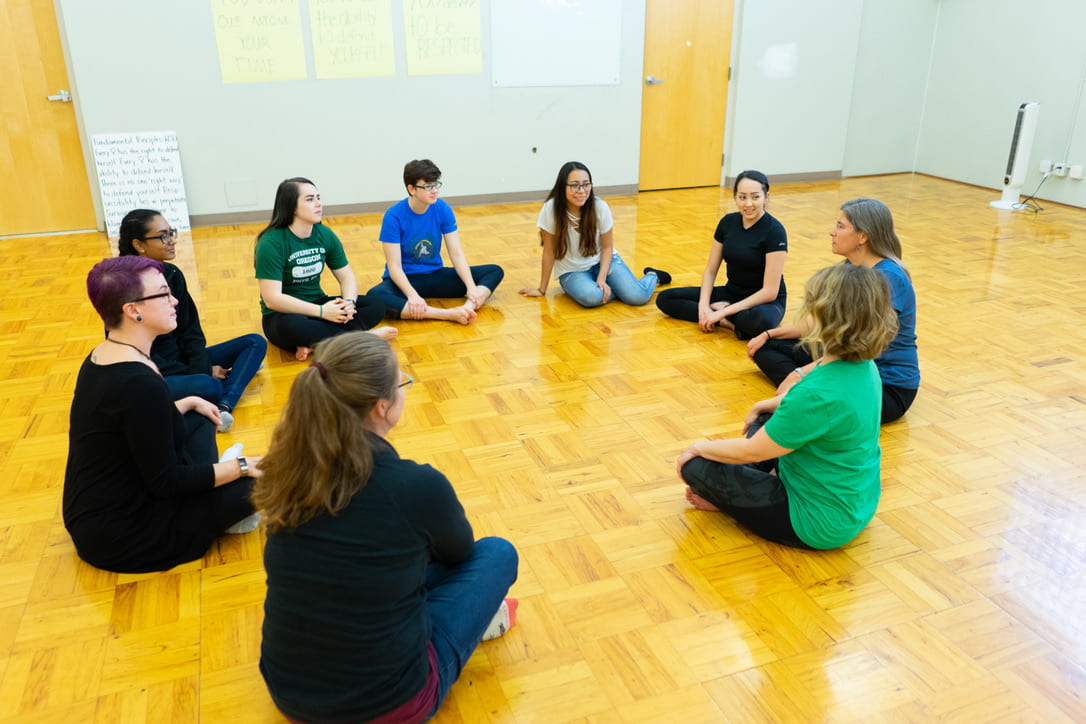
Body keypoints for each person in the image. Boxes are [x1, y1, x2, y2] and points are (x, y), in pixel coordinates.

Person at [254, 332, 518, 724]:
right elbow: (461, 553)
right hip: (388, 706)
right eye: (401, 383)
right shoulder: (415, 486)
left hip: (289, 694)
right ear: (381, 407)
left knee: (388, 560)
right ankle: (476, 623)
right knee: (497, 553)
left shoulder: (284, 469)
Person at [677, 263, 897, 550]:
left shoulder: (817, 394)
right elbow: (823, 410)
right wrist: (767, 403)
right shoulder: (863, 366)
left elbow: (751, 450)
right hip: (857, 503)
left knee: (696, 467)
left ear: (825, 316)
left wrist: (697, 448)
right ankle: (746, 486)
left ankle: (733, 501)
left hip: (816, 523)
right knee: (769, 414)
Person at [64, 256, 262, 574]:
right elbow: (167, 482)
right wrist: (240, 467)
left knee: (198, 412)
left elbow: (135, 426)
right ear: (133, 310)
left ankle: (218, 480)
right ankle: (222, 501)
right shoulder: (137, 382)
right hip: (125, 533)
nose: (175, 300)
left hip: (101, 506)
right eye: (163, 294)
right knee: (265, 482)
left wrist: (188, 403)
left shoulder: (105, 354)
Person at [747, 197, 919, 424]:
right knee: (766, 348)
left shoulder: (888, 277)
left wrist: (799, 373)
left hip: (883, 386)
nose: (832, 232)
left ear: (863, 236)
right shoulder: (851, 267)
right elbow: (817, 320)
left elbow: (860, 349)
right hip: (847, 366)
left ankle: (806, 390)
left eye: (840, 226)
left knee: (809, 391)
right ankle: (810, 389)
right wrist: (769, 334)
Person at [118, 209, 267, 432]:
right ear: (139, 245)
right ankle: (227, 393)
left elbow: (191, 331)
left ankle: (223, 405)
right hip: (156, 374)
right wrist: (202, 372)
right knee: (210, 385)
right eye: (163, 236)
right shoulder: (121, 287)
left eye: (171, 233)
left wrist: (202, 367)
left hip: (183, 361)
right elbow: (137, 355)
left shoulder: (172, 273)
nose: (173, 241)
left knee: (255, 342)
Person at [255, 177, 395, 361]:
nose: (318, 204)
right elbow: (272, 299)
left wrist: (349, 304)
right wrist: (322, 312)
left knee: (375, 305)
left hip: (318, 304)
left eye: (318, 198)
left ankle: (320, 343)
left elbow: (346, 277)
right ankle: (363, 339)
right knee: (294, 327)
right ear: (292, 206)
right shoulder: (271, 243)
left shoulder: (324, 234)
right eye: (310, 199)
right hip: (283, 314)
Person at [367, 159, 504, 325]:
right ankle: (446, 314)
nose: (434, 191)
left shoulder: (442, 208)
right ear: (411, 189)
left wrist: (471, 288)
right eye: (428, 186)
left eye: (436, 185)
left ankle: (468, 307)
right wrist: (412, 295)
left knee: (494, 271)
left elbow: (456, 253)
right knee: (375, 297)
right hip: (406, 279)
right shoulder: (394, 216)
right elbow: (394, 266)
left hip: (435, 275)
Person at [655, 170, 787, 339]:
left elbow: (770, 291)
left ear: (766, 197)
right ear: (734, 197)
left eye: (755, 197)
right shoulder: (727, 223)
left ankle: (721, 314)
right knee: (666, 298)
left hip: (764, 302)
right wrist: (703, 305)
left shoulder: (775, 231)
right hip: (732, 292)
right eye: (742, 197)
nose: (748, 204)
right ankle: (728, 322)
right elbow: (710, 270)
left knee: (758, 322)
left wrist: (722, 311)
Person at [519, 161, 670, 307]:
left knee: (638, 297)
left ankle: (652, 275)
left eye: (586, 184)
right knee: (591, 297)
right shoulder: (550, 209)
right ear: (562, 187)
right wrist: (541, 289)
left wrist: (602, 278)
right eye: (574, 185)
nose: (582, 191)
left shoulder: (600, 207)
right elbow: (549, 252)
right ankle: (619, 290)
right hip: (571, 271)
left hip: (602, 262)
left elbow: (607, 247)